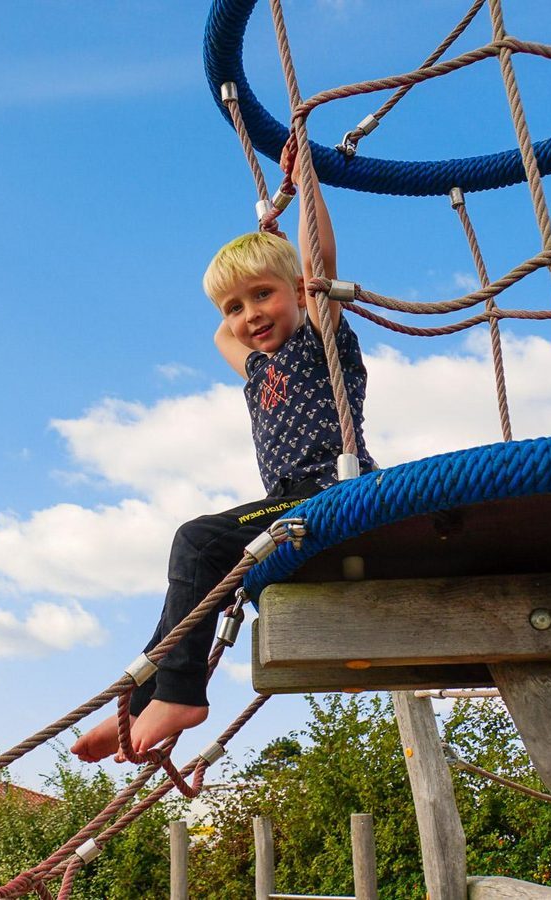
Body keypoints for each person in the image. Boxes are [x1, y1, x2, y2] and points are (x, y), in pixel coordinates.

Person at [70, 192, 375, 763]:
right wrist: (254, 280)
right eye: (235, 306)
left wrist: (301, 184)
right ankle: (141, 698)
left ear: (301, 294)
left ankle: (181, 694)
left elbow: (321, 265)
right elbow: (220, 335)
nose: (249, 316)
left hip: (333, 493)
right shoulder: (258, 366)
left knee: (198, 541)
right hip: (287, 502)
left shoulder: (320, 344)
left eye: (264, 296)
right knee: (191, 583)